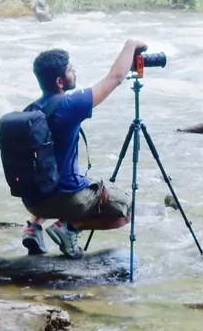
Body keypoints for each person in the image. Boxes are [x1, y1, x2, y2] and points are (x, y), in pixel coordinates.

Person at [20, 40, 143, 258]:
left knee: (50, 174)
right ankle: (70, 229)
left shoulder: (30, 111)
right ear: (60, 81)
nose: (73, 71)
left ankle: (33, 228)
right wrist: (131, 45)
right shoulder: (70, 105)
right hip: (67, 199)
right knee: (126, 211)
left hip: (33, 201)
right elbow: (115, 78)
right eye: (70, 69)